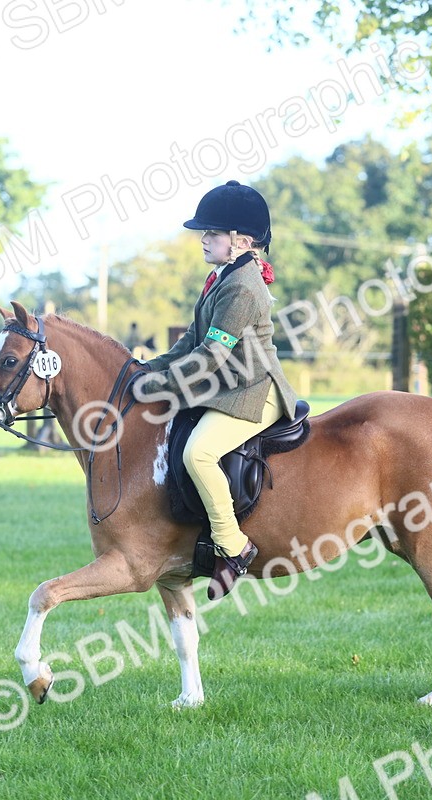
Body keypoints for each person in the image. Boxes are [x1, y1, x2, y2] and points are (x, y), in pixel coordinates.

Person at [133, 180, 298, 599]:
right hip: (230, 387)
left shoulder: (242, 287)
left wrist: (159, 385)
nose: (204, 239)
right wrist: (143, 369)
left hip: (255, 391)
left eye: (212, 233)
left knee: (198, 452)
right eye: (205, 233)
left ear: (241, 241)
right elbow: (191, 339)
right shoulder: (222, 276)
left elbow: (210, 356)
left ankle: (233, 544)